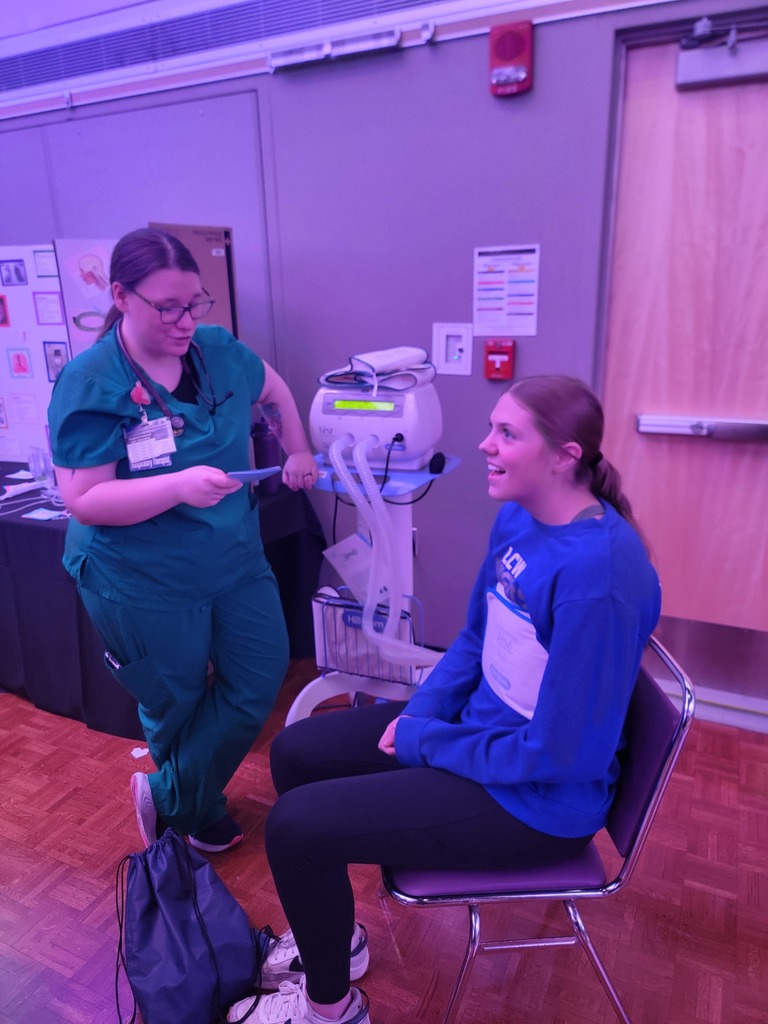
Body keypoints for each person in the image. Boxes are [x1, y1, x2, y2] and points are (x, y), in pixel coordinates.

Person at [226, 374, 661, 1024]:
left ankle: (329, 1010)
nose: (485, 444)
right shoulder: (522, 515)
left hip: (535, 800)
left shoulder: (599, 576)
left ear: (565, 455)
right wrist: (423, 713)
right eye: (491, 427)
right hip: (487, 738)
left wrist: (429, 741)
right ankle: (333, 948)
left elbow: (561, 753)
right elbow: (476, 639)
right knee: (296, 752)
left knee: (296, 831)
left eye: (507, 434)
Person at [47, 227, 318, 854]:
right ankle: (196, 810)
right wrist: (176, 487)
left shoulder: (217, 349)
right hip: (139, 575)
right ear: (120, 295)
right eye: (166, 307)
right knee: (176, 700)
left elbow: (271, 389)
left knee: (257, 677)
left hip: (232, 557)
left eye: (194, 303)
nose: (183, 320)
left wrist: (298, 446)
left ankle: (169, 798)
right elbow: (84, 499)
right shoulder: (91, 384)